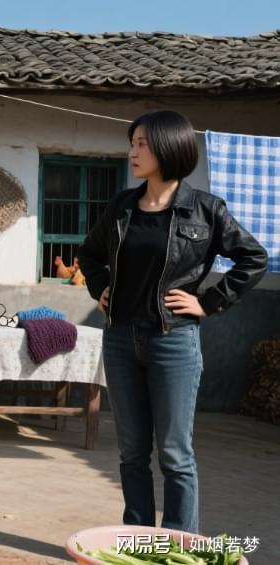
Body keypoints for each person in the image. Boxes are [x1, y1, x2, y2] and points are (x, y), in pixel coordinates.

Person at [78, 110, 267, 533]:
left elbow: (253, 258)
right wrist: (100, 287)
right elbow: (89, 253)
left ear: (168, 147)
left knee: (174, 454)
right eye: (132, 143)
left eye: (142, 144)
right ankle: (139, 538)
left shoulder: (205, 210)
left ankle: (181, 542)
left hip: (173, 342)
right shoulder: (122, 207)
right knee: (131, 453)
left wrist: (210, 302)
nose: (133, 152)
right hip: (120, 340)